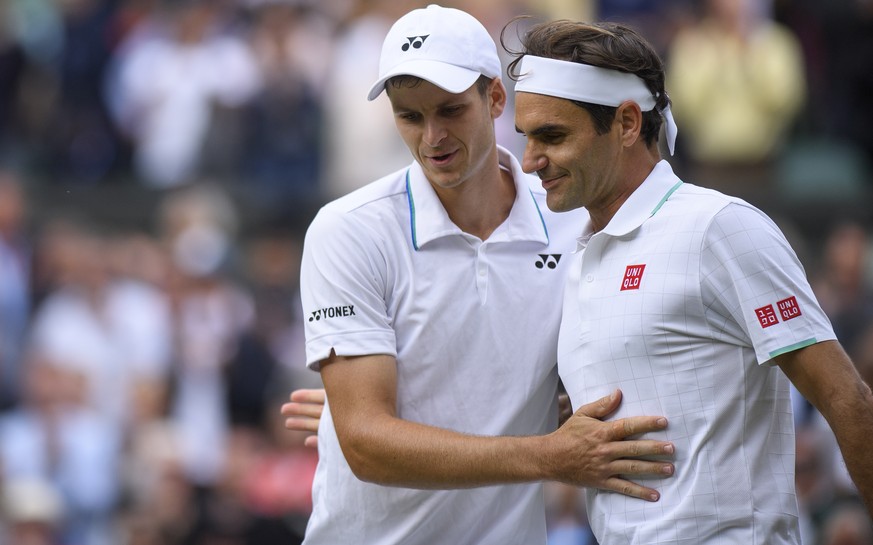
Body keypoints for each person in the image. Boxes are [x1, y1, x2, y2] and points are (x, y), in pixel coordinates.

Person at [288, 5, 676, 544]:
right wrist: (549, 455)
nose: (431, 138)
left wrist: (558, 406)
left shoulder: (573, 223)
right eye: (409, 116)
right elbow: (366, 443)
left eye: (449, 111)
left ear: (495, 99)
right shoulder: (348, 230)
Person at [508, 17, 873, 544]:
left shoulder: (720, 227)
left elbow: (848, 400)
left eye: (553, 136)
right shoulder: (577, 254)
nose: (529, 161)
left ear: (628, 124)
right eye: (527, 137)